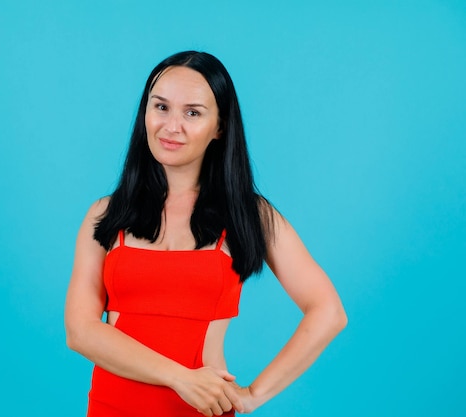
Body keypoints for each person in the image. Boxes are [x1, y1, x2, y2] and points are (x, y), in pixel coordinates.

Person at [65, 51, 347, 416]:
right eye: (161, 107)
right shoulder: (106, 214)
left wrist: (252, 396)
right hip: (110, 407)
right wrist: (180, 378)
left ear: (220, 126)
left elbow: (328, 311)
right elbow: (80, 330)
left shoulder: (250, 214)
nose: (171, 126)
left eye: (193, 113)